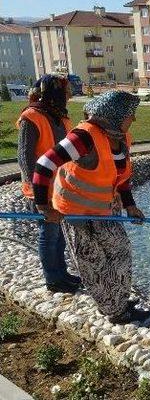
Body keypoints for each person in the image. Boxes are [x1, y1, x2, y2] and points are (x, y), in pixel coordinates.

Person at [32, 90, 150, 323]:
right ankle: (115, 312)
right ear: (114, 115)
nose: (133, 119)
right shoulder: (83, 138)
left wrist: (130, 206)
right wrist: (44, 207)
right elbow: (44, 165)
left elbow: (122, 177)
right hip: (75, 212)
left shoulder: (121, 138)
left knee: (120, 252)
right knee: (93, 263)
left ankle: (119, 299)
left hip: (106, 211)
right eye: (130, 115)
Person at [16, 74, 80, 293]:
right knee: (48, 233)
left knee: (59, 233)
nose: (70, 94)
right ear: (54, 92)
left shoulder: (60, 118)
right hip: (41, 190)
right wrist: (38, 192)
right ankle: (52, 279)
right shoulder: (31, 117)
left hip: (59, 188)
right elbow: (25, 158)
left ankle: (62, 272)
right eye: (66, 91)